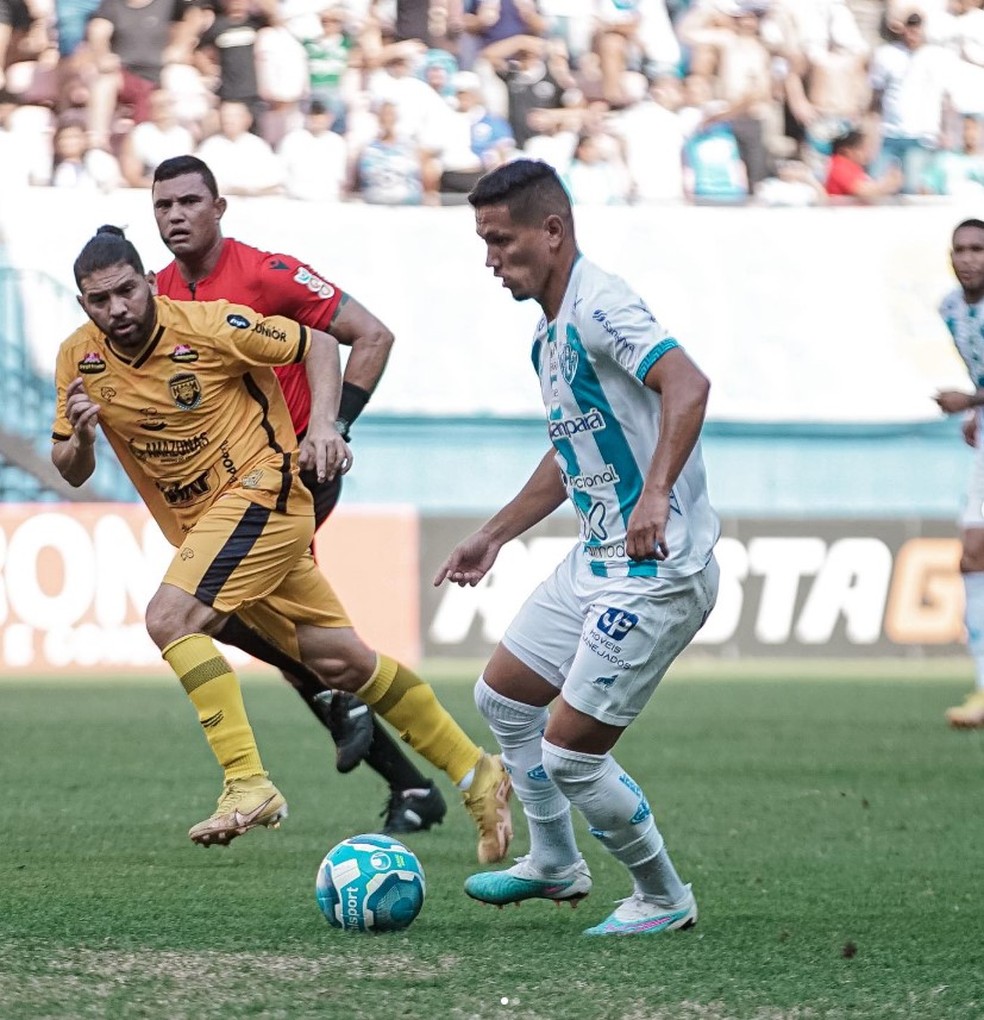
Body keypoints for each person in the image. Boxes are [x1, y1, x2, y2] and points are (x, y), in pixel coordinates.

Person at [52, 226, 514, 860]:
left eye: (127, 291)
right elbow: (70, 467)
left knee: (170, 618)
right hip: (211, 528)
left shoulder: (214, 326)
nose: (118, 310)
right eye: (99, 301)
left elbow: (319, 341)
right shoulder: (78, 359)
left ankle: (247, 781)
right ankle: (477, 773)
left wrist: (324, 423)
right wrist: (78, 440)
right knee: (343, 663)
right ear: (84, 305)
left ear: (147, 282)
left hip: (263, 493)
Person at [435, 159, 720, 936]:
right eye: (484, 242)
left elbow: (687, 385)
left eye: (501, 240)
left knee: (571, 757)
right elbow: (571, 459)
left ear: (552, 231)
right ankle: (554, 860)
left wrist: (656, 491)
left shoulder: (603, 305)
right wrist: (493, 534)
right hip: (595, 560)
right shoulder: (547, 335)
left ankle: (663, 896)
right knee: (503, 698)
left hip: (657, 571)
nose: (490, 259)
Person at [149, 153, 449, 835]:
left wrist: (331, 427)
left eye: (190, 202)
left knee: (209, 615)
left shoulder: (268, 273)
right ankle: (414, 785)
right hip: (226, 494)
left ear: (219, 207)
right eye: (164, 206)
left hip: (293, 480)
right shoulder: (157, 295)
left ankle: (376, 734)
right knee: (273, 633)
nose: (176, 216)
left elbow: (370, 335)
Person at [934, 219, 984, 729]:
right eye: (961, 249)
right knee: (972, 554)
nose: (968, 257)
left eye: (979, 249)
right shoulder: (950, 308)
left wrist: (967, 401)